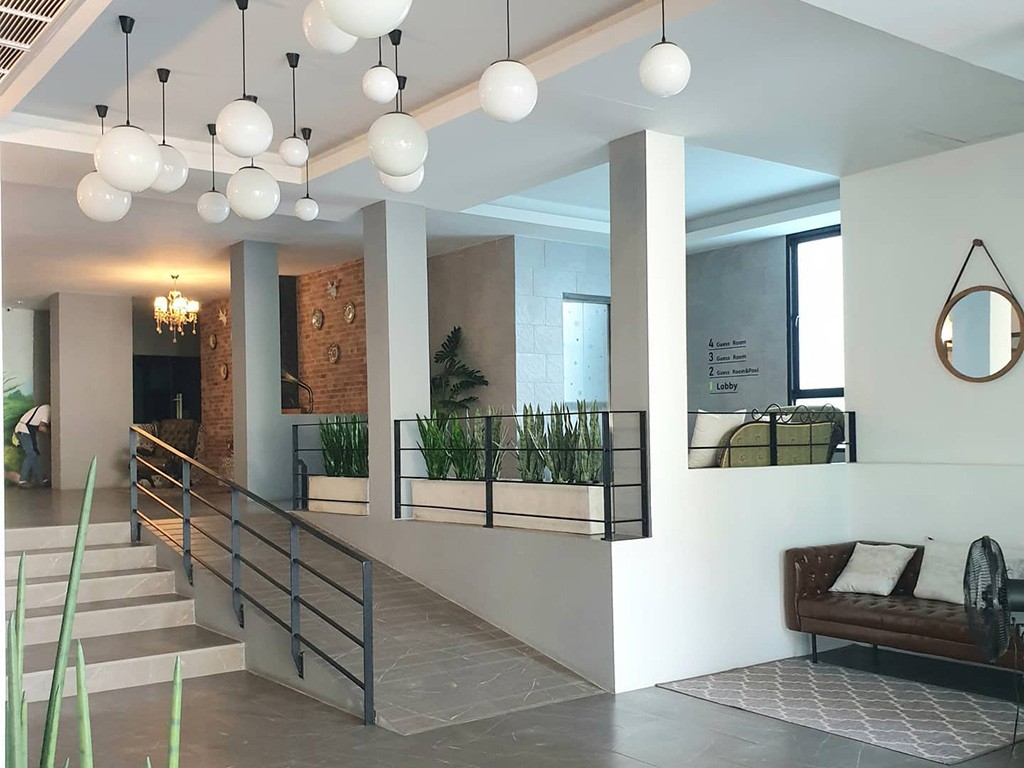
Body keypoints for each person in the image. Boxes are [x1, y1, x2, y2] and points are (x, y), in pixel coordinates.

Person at [11, 404, 50, 487]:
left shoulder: (44, 408)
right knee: (31, 454)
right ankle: (22, 480)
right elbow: (41, 427)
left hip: (24, 430)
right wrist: (50, 435)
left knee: (34, 455)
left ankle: (41, 480)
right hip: (24, 430)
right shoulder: (48, 410)